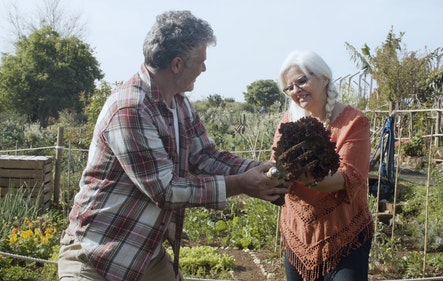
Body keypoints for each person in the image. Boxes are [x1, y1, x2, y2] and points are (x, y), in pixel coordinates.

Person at [57, 10, 286, 281]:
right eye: (200, 62)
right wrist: (242, 184)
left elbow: (205, 156)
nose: (204, 69)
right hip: (99, 254)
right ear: (177, 65)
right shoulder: (130, 107)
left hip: (143, 252)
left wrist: (262, 169)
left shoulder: (179, 104)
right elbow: (165, 190)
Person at [272, 50, 374, 281]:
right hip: (298, 231)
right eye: (290, 87)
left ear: (324, 78)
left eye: (302, 81)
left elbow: (348, 178)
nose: (296, 90)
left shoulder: (353, 122)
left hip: (344, 234)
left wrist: (299, 174)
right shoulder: (288, 121)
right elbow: (275, 163)